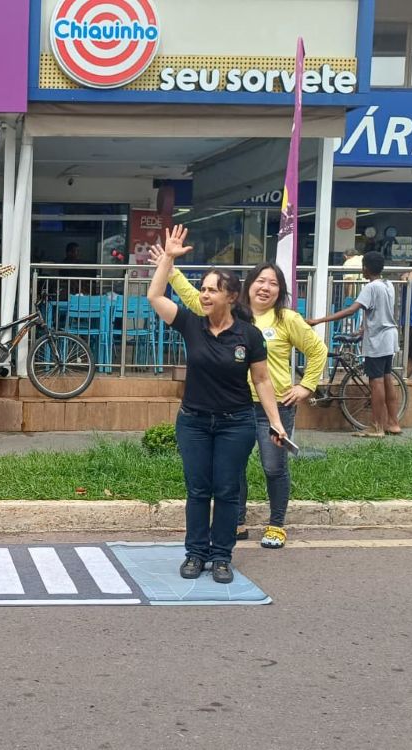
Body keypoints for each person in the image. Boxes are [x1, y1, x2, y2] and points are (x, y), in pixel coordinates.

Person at [153, 247, 328, 550]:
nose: (266, 287)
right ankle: (237, 522)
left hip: (272, 405)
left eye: (273, 283)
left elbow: (314, 353)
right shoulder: (218, 317)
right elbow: (195, 297)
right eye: (261, 281)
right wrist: (169, 266)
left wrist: (306, 386)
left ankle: (276, 524)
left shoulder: (285, 319)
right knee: (232, 472)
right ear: (245, 288)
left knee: (273, 468)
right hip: (232, 407)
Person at [147, 225, 287, 584]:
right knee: (197, 489)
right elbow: (155, 296)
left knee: (226, 490)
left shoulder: (249, 335)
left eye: (212, 290)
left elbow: (262, 381)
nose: (205, 295)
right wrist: (168, 258)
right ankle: (195, 553)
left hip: (235, 424)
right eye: (204, 289)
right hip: (193, 422)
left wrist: (275, 422)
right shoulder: (191, 324)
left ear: (231, 296)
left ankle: (222, 556)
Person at [307, 250, 401, 437]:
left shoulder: (371, 287)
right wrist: (364, 328)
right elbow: (382, 312)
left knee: (376, 382)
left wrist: (319, 320)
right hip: (389, 337)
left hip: (378, 340)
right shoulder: (388, 284)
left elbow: (351, 310)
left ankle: (376, 427)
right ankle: (393, 423)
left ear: (365, 267)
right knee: (387, 379)